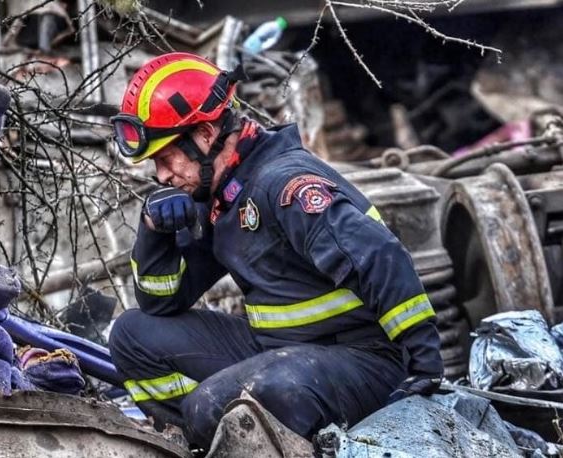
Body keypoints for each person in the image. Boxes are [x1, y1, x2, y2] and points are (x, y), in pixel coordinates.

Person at [108, 52, 443, 447]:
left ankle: (244, 440)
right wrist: (155, 231)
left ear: (205, 134)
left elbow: (380, 255)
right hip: (279, 350)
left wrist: (423, 364)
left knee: (213, 406)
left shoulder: (284, 185)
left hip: (365, 359)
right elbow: (161, 303)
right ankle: (206, 441)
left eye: (166, 157)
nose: (162, 174)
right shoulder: (222, 195)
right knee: (131, 335)